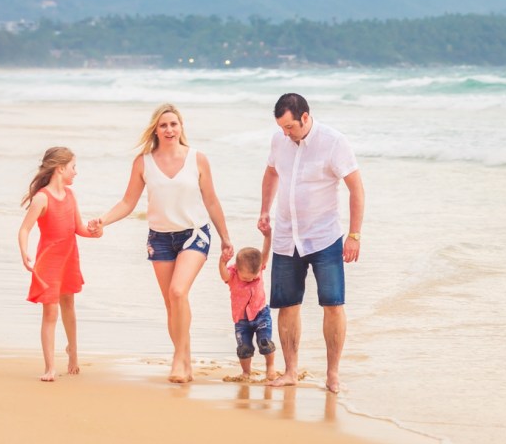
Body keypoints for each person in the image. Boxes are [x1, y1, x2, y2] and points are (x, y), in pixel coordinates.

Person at [90, 103, 234, 383]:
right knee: (172, 303)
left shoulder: (198, 159)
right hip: (160, 238)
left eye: (173, 124)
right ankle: (185, 360)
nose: (169, 129)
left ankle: (179, 359)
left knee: (178, 292)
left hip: (195, 233)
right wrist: (103, 221)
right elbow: (128, 202)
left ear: (181, 128)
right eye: (163, 125)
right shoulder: (143, 163)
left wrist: (226, 237)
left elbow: (211, 200)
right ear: (155, 129)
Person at [258, 93, 364, 393]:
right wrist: (264, 210)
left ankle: (333, 375)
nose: (285, 133)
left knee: (333, 305)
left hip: (324, 237)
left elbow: (356, 189)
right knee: (287, 306)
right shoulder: (280, 141)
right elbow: (270, 173)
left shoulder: (334, 142)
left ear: (305, 117)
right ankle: (291, 371)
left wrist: (354, 235)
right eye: (281, 127)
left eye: (290, 127)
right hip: (285, 237)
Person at [17, 146, 102, 381]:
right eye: (73, 167)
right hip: (49, 263)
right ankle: (50, 367)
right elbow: (25, 229)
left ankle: (73, 352)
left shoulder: (71, 196)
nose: (76, 172)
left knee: (69, 305)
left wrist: (95, 232)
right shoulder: (42, 198)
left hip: (69, 259)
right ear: (60, 168)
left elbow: (79, 228)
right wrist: (24, 252)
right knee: (51, 312)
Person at [218, 230, 278, 382]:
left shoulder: (258, 268)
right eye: (245, 277)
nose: (250, 279)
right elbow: (224, 275)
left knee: (265, 342)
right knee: (244, 348)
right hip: (241, 319)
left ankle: (270, 367)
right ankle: (246, 372)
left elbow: (265, 253)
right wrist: (222, 262)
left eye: (254, 276)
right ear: (236, 269)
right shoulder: (232, 274)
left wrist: (267, 236)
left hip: (261, 314)